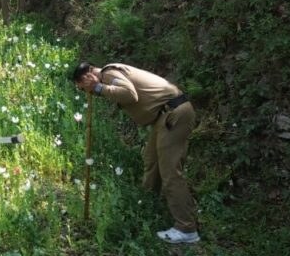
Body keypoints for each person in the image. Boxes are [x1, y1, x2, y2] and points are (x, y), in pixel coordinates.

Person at [71, 62, 200, 245]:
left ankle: (187, 229)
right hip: (164, 117)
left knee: (170, 172)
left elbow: (130, 94)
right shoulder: (111, 74)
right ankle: (148, 207)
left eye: (82, 88)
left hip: (174, 115)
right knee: (152, 161)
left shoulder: (108, 74)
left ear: (87, 77)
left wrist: (98, 87)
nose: (86, 92)